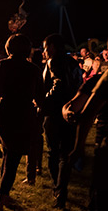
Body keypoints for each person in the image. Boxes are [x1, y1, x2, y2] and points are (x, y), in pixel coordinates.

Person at [0, 34, 45, 210]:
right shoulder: (33, 69)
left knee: (8, 154)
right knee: (12, 157)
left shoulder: (3, 65)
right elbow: (40, 98)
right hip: (22, 115)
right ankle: (2, 199)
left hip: (3, 114)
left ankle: (4, 196)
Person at [41, 33, 82, 209]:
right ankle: (61, 190)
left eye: (45, 47)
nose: (43, 51)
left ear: (52, 46)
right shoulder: (73, 62)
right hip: (71, 113)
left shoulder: (53, 62)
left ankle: (57, 190)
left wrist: (43, 102)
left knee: (53, 152)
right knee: (65, 154)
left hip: (55, 113)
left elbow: (58, 85)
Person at [63, 69, 107, 211]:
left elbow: (86, 114)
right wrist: (67, 111)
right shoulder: (97, 80)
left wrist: (78, 147)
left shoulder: (103, 80)